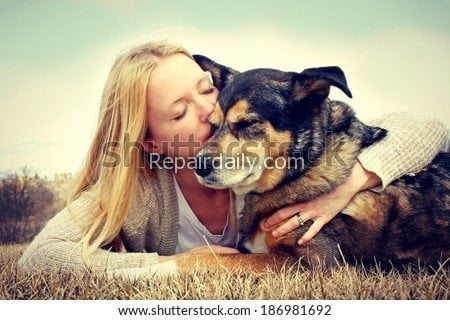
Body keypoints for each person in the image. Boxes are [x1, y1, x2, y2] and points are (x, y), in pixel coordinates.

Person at [18, 41, 448, 278]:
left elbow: (426, 129)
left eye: (206, 90)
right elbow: (41, 260)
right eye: (178, 112)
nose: (210, 112)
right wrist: (178, 265)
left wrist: (355, 182)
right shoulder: (140, 189)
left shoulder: (271, 164)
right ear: (151, 144)